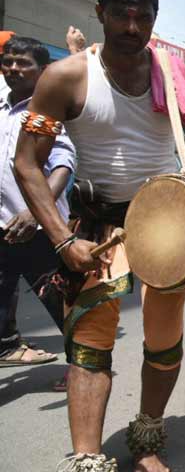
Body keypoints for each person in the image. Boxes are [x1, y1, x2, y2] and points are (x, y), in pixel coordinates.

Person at [14, 0, 185, 472]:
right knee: (91, 342)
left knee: (163, 339)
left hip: (171, 223)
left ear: (155, 19)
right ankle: (87, 458)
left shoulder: (170, 69)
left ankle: (146, 437)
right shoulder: (66, 77)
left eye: (144, 17)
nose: (132, 28)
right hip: (99, 227)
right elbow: (26, 162)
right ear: (101, 13)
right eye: (121, 15)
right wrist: (60, 240)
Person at [0, 36, 74, 368]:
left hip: (40, 230)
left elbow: (63, 165)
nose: (13, 68)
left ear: (42, 71)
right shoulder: (2, 106)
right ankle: (7, 347)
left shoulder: (48, 109)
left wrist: (34, 212)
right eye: (8, 61)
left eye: (23, 63)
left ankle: (82, 367)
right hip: (4, 227)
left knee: (61, 303)